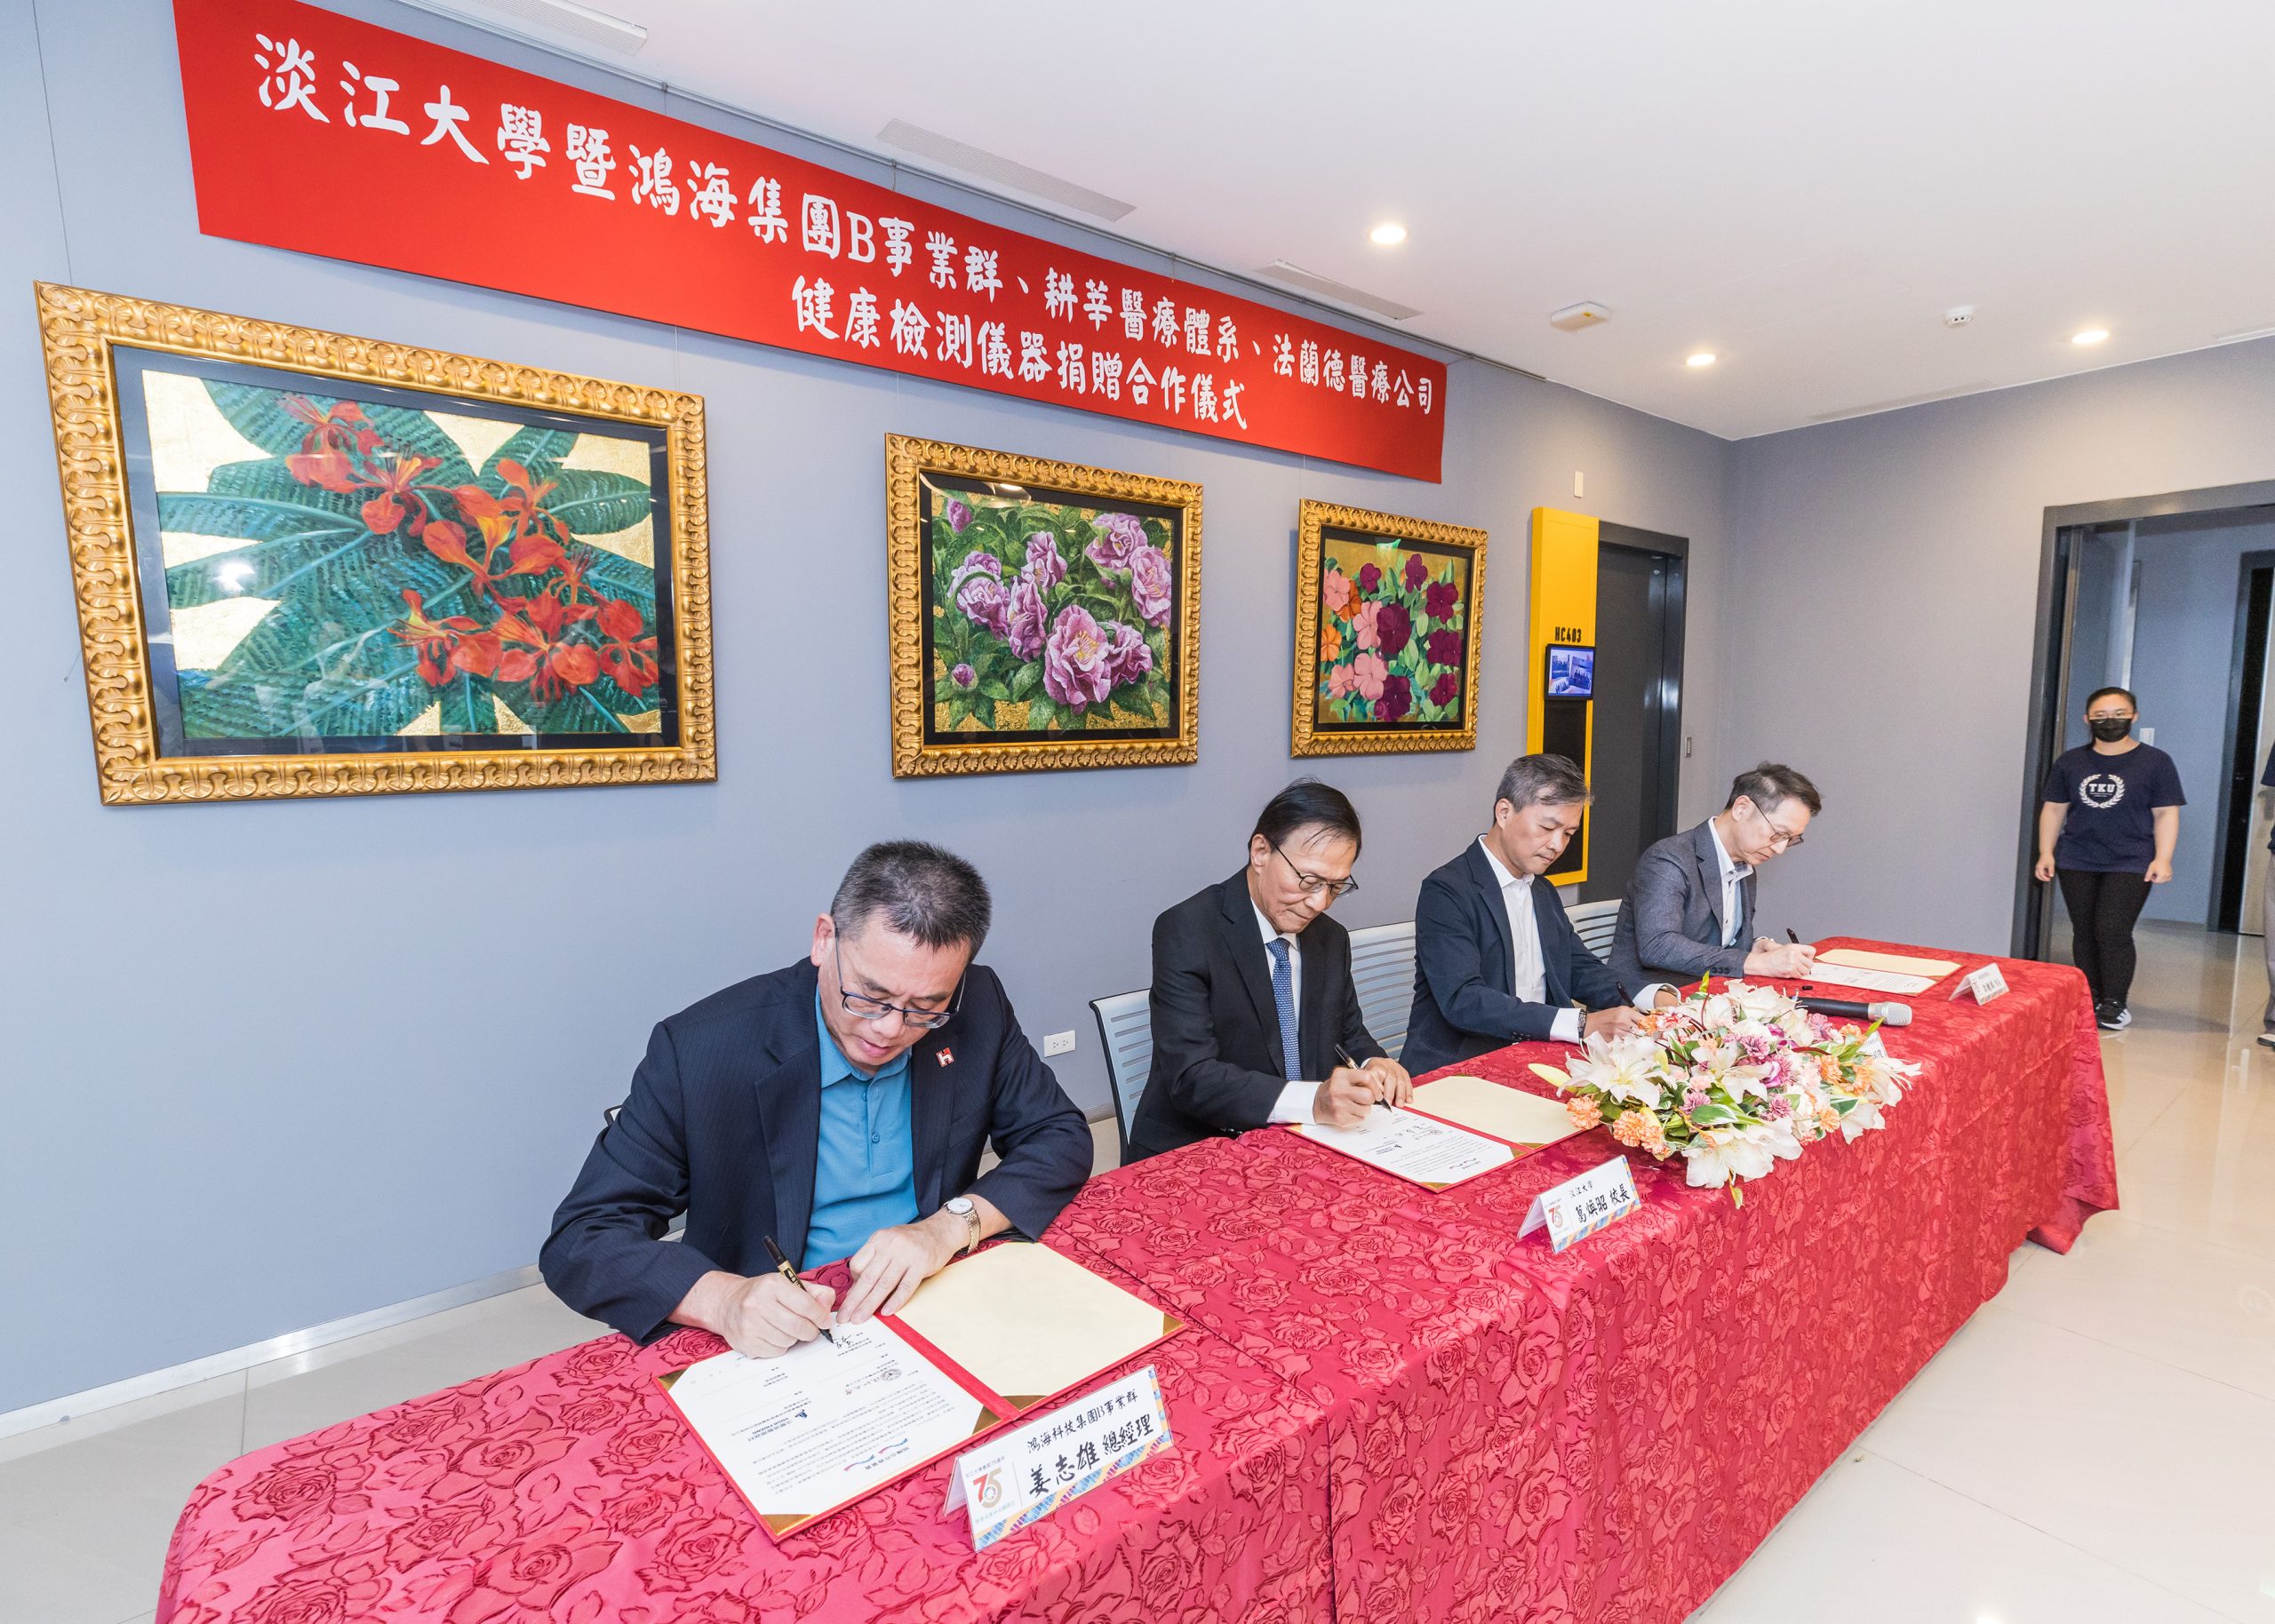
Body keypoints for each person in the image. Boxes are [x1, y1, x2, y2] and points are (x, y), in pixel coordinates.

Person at [540, 840, 1092, 1357]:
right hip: (781, 1329)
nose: (890, 1029)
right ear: (825, 939)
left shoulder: (979, 1004)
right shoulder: (702, 1049)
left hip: (929, 1292)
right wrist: (724, 1300)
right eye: (870, 995)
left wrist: (947, 1227)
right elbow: (583, 1237)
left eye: (926, 1008)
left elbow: (1058, 1136)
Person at [1129, 780, 1411, 1158]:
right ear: (1261, 851)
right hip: (1200, 1145)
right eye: (1309, 881)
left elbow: (1346, 1032)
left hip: (1301, 1140)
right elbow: (1192, 1076)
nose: (1319, 903)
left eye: (1335, 887)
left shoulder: (1330, 938)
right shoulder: (1188, 930)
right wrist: (1313, 1101)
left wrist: (1374, 1062)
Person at [1404, 753, 1648, 1075]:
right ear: (1504, 812)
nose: (1557, 845)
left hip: (1538, 1053)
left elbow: (1578, 968)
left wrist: (1652, 996)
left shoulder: (1541, 890)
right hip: (1464, 1063)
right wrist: (1580, 1024)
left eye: (1569, 833)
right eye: (1548, 827)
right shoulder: (1447, 890)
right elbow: (1464, 1000)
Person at [2035, 686, 2183, 1031]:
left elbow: (2166, 813)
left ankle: (2115, 1002)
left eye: (2119, 715)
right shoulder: (2070, 762)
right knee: (2085, 931)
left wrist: (2163, 858)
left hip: (2130, 859)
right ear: (2087, 720)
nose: (2110, 722)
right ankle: (2089, 997)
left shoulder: (2156, 762)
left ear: (2134, 717)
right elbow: (2054, 809)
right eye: (2100, 716)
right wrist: (2046, 852)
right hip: (2077, 858)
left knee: (2113, 930)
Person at [1608, 763, 1823, 990]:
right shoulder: (1669, 858)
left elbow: (1716, 941)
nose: (1780, 849)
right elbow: (1658, 946)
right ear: (1742, 808)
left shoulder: (1746, 862)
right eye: (1778, 834)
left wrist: (1755, 947)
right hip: (1649, 997)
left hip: (1710, 992)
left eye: (1791, 839)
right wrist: (1755, 963)